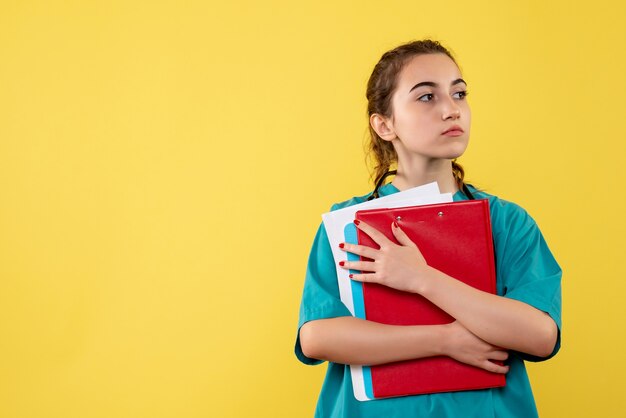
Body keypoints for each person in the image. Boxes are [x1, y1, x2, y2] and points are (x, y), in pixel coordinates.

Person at [294, 39, 562, 418]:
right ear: (385, 124)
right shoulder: (349, 223)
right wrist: (445, 340)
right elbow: (318, 336)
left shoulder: (506, 221)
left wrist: (422, 278)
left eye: (459, 93)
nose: (452, 109)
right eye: (426, 97)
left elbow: (540, 335)